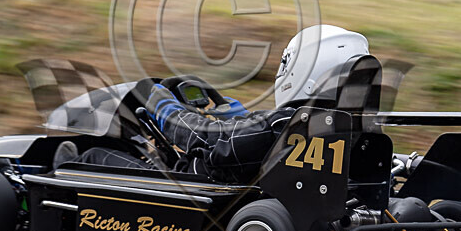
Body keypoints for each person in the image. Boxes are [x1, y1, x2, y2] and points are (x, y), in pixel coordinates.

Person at [69, 25, 370, 183]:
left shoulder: (283, 125)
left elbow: (204, 139)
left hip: (194, 187)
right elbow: (249, 141)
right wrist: (240, 116)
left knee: (90, 155)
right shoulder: (349, 130)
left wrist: (165, 108)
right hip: (264, 190)